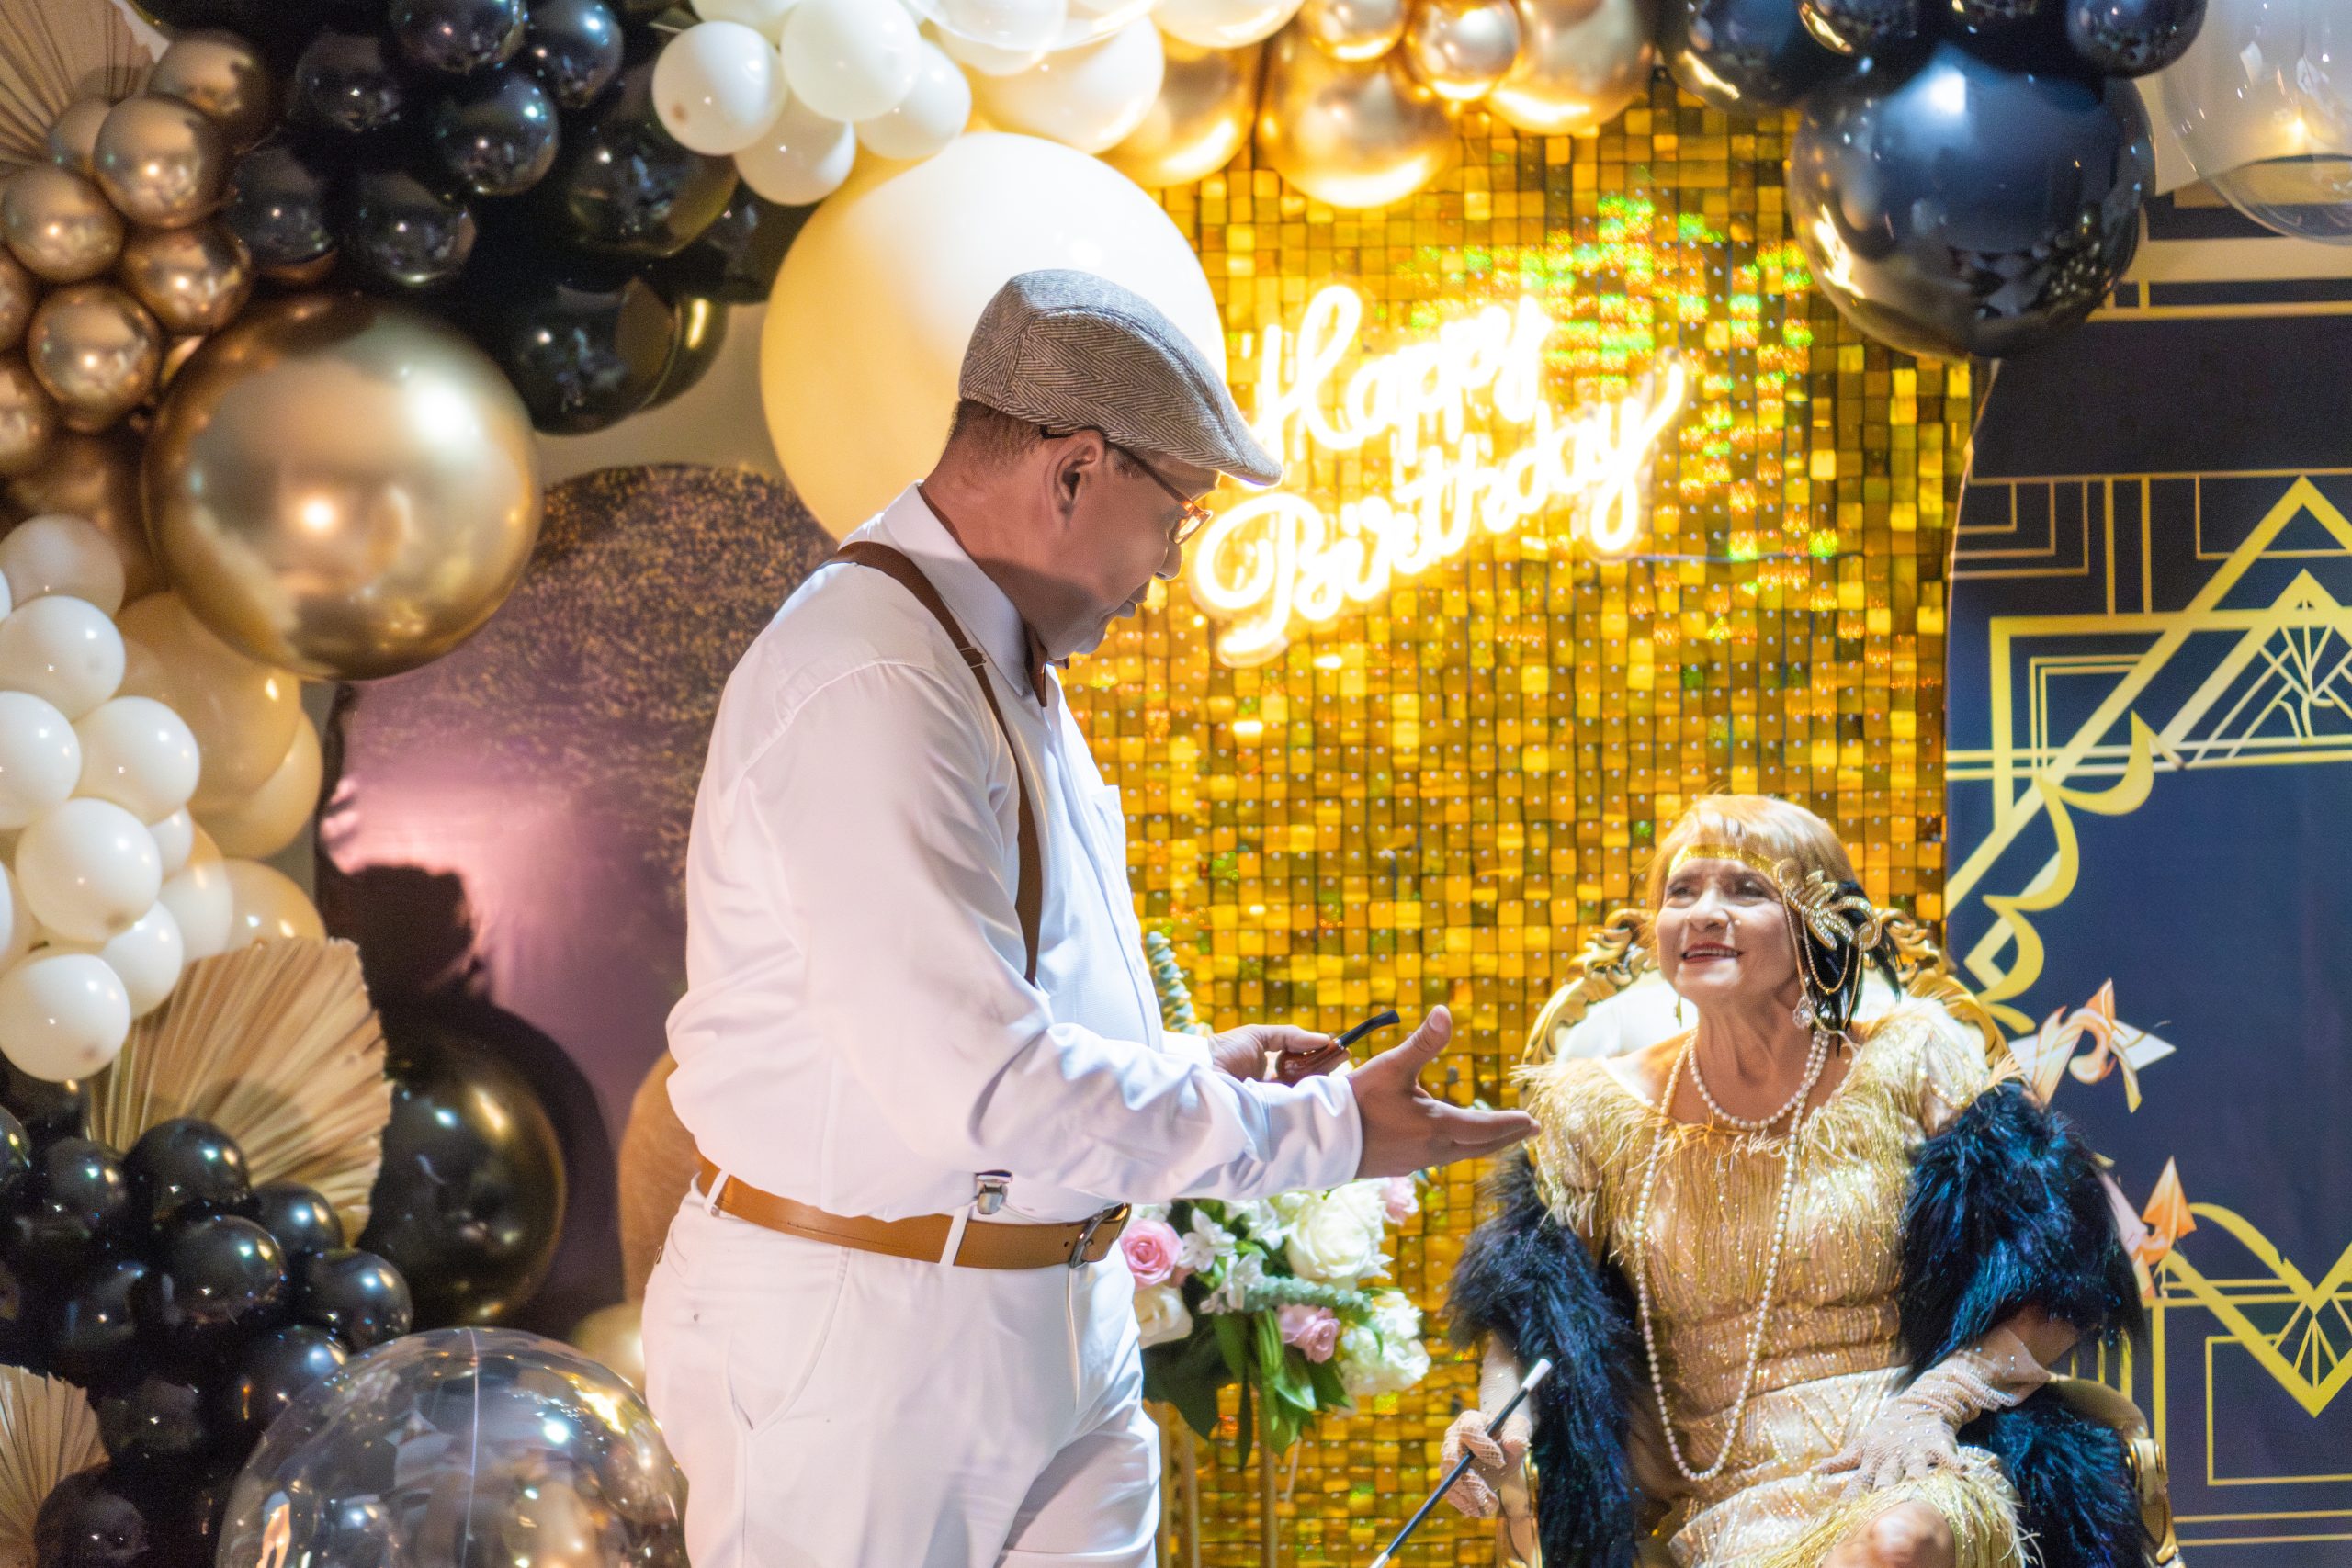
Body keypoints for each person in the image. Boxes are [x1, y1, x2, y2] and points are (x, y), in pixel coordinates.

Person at [643, 269, 1535, 1568]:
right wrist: (1326, 1131)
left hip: (1055, 1308)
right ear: (1074, 470)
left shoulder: (991, 654)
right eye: (1177, 512)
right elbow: (977, 1083)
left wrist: (1188, 1067)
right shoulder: (873, 674)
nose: (1173, 562)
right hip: (867, 1338)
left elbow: (998, 1008)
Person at [1442, 795, 2148, 1568]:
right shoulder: (1595, 1110)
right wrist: (1499, 1420)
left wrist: (1934, 1404)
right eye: (1682, 892)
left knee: (1896, 1543)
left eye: (1746, 888)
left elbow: (2061, 1278)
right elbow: (1529, 1312)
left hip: (1912, 1463)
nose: (1704, 912)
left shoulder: (1911, 1061)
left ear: (1821, 924)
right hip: (1722, 1502)